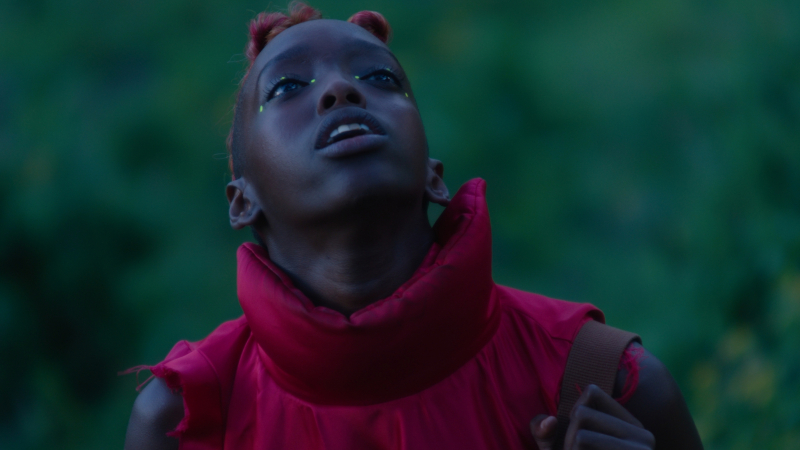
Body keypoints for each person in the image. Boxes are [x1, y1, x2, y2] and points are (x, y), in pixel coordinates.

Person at [124, 3, 704, 449]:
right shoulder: (187, 422)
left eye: (381, 79)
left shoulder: (607, 386)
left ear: (433, 176)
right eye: (288, 87)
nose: (341, 89)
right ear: (241, 201)